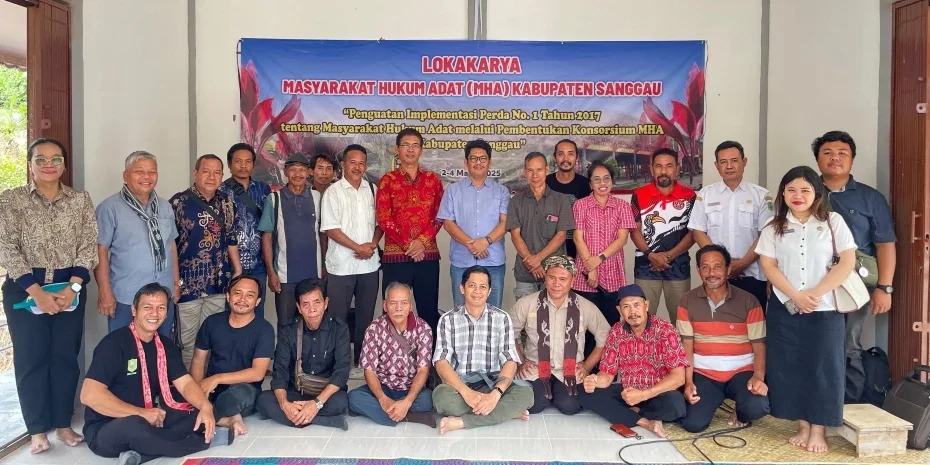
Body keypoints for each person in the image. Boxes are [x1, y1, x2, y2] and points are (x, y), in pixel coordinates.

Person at [0, 138, 98, 454]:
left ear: (64, 165)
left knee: (65, 358)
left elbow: (88, 245)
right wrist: (36, 292)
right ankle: (37, 430)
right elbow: (6, 246)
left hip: (70, 288)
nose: (48, 164)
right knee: (32, 358)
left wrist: (73, 288)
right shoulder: (11, 200)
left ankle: (63, 424)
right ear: (30, 164)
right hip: (26, 288)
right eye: (40, 159)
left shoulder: (79, 200)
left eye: (56, 159)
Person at [755, 165, 857, 453]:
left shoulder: (833, 221)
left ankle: (819, 429)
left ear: (817, 193)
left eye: (804, 190)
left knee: (824, 367)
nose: (797, 195)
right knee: (790, 366)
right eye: (791, 190)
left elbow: (847, 262)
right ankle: (802, 425)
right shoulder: (773, 225)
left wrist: (814, 294)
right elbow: (769, 265)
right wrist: (795, 296)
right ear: (783, 193)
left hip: (825, 308)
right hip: (785, 307)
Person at [81, 283, 232, 465]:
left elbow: (185, 383)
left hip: (151, 419)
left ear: (167, 313)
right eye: (147, 307)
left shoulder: (165, 345)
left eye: (161, 308)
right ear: (134, 310)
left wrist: (205, 407)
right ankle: (205, 442)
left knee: (202, 410)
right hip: (107, 428)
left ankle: (140, 455)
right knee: (135, 425)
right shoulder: (114, 344)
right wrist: (141, 413)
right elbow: (89, 395)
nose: (154, 313)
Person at [813, 130, 897, 404]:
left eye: (842, 153)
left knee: (848, 343)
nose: (835, 158)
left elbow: (885, 245)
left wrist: (884, 287)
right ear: (817, 159)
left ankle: (847, 404)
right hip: (812, 283)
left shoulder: (870, 198)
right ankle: (816, 402)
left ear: (852, 159)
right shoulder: (805, 192)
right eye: (827, 152)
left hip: (854, 285)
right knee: (813, 343)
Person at [677, 245, 770, 433]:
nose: (711, 273)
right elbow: (686, 346)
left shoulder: (749, 301)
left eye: (718, 267)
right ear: (698, 271)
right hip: (705, 374)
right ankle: (714, 400)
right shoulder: (687, 301)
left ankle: (740, 409)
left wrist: (758, 377)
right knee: (693, 424)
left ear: (728, 270)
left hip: (741, 372)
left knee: (756, 407)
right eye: (705, 267)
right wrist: (688, 383)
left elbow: (759, 345)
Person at [432, 265, 534, 434]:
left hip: (493, 382)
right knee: (441, 398)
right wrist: (466, 393)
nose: (477, 291)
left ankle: (462, 422)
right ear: (462, 288)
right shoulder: (447, 319)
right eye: (472, 286)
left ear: (489, 291)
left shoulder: (502, 318)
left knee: (526, 394)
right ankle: (505, 412)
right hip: (461, 385)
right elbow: (441, 362)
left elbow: (510, 360)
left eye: (483, 287)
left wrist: (495, 395)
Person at [579, 284, 688, 438]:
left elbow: (679, 377)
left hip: (657, 393)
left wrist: (644, 395)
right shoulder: (616, 332)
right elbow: (607, 375)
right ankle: (645, 422)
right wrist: (595, 380)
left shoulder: (665, 330)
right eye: (626, 306)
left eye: (637, 305)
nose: (632, 311)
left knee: (676, 404)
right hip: (628, 393)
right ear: (619, 310)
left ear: (646, 305)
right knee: (584, 393)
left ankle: (631, 413)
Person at [509, 255, 610, 415]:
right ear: (545, 277)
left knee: (569, 406)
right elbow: (508, 334)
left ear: (572, 280)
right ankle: (544, 392)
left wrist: (586, 366)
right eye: (552, 278)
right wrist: (520, 362)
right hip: (535, 367)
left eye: (563, 279)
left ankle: (557, 391)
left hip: (569, 368)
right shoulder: (526, 304)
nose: (556, 284)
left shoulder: (585, 307)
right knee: (534, 404)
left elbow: (605, 338)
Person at [96, 151, 180, 338]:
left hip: (163, 295)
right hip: (126, 297)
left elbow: (171, 245)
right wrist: (104, 290)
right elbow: (100, 250)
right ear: (125, 176)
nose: (146, 177)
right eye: (139, 172)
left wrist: (176, 283)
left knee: (162, 346)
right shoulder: (109, 208)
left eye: (152, 172)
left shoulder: (165, 207)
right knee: (124, 348)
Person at [170, 154, 242, 367]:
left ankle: (205, 384)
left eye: (217, 172)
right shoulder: (178, 202)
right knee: (187, 342)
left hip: (218, 284)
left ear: (222, 175)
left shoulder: (227, 203)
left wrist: (237, 270)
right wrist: (175, 282)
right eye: (206, 171)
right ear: (195, 173)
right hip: (188, 285)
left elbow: (231, 238)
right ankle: (187, 385)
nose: (211, 177)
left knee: (212, 339)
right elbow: (170, 245)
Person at [256, 278, 350, 430]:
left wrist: (316, 403)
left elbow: (341, 372)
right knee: (263, 400)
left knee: (341, 402)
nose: (312, 310)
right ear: (299, 307)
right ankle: (323, 420)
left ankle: (297, 417)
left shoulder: (339, 329)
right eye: (305, 304)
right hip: (296, 391)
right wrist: (285, 404)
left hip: (325, 394)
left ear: (325, 303)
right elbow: (280, 372)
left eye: (317, 303)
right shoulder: (288, 330)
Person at [320, 144, 383, 370]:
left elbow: (381, 223)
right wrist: (358, 247)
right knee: (338, 318)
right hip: (341, 267)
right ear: (343, 165)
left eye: (361, 163)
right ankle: (338, 363)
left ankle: (362, 362)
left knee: (366, 317)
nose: (357, 167)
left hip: (369, 266)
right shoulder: (333, 192)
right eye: (352, 162)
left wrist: (372, 245)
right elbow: (330, 229)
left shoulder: (373, 190)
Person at [689, 141, 772, 308]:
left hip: (752, 275)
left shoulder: (761, 196)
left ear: (744, 162)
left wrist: (742, 264)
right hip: (716, 276)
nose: (729, 166)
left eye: (734, 160)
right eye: (723, 162)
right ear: (716, 165)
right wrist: (721, 264)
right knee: (717, 321)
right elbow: (698, 231)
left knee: (753, 321)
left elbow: (766, 235)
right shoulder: (705, 194)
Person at [189, 275, 274, 437]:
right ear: (228, 296)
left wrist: (217, 378)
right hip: (212, 389)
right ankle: (227, 419)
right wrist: (197, 391)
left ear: (257, 301)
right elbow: (198, 361)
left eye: (250, 295)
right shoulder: (212, 322)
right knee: (178, 392)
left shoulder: (264, 330)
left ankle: (213, 414)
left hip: (244, 391)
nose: (242, 299)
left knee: (239, 393)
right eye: (237, 293)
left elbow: (257, 373)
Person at [376, 128, 444, 329]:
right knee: (394, 311)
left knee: (428, 310)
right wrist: (408, 245)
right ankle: (392, 350)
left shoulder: (433, 180)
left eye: (415, 145)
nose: (410, 150)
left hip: (426, 256)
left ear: (421, 150)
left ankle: (429, 349)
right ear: (397, 149)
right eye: (406, 145)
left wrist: (421, 242)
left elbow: (440, 215)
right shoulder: (387, 180)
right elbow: (384, 218)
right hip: (396, 257)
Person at [348, 282, 434, 427]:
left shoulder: (423, 329)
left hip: (410, 387)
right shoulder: (374, 329)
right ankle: (407, 416)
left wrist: (407, 401)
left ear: (410, 305)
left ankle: (388, 412)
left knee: (428, 400)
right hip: (383, 387)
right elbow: (369, 371)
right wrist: (382, 399)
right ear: (385, 305)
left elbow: (423, 371)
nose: (398, 308)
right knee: (353, 397)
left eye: (404, 303)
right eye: (393, 303)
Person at [437, 139, 510, 308]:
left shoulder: (502, 191)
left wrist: (485, 242)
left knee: (494, 312)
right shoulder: (453, 190)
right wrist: (472, 244)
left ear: (489, 162)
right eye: (473, 158)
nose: (478, 162)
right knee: (461, 311)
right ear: (466, 162)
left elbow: (505, 223)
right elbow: (448, 223)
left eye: (482, 158)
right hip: (462, 262)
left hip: (493, 262)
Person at [630, 148, 696, 326]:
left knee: (681, 322)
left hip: (678, 266)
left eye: (669, 166)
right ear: (652, 169)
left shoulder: (690, 196)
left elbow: (694, 233)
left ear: (677, 169)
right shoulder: (639, 194)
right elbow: (634, 230)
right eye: (658, 166)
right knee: (641, 321)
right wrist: (650, 254)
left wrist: (669, 256)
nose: (663, 171)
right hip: (645, 266)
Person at [571, 160, 637, 335]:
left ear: (612, 181)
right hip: (585, 277)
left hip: (612, 275)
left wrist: (598, 260)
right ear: (590, 184)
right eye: (597, 179)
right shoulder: (580, 205)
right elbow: (578, 238)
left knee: (610, 327)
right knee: (584, 330)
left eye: (606, 178)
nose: (602, 183)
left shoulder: (622, 206)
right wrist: (590, 267)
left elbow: (622, 239)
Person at [259, 153, 324, 329]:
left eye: (302, 170)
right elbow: (267, 236)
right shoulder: (274, 199)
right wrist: (271, 272)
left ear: (308, 172)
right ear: (286, 172)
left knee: (313, 323)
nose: (297, 174)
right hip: (285, 275)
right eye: (293, 170)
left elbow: (323, 234)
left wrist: (324, 267)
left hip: (313, 274)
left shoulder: (317, 197)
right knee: (286, 325)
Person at [507, 152, 574, 300]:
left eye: (539, 170)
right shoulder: (516, 201)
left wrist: (538, 259)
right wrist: (534, 264)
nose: (535, 175)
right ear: (525, 173)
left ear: (547, 170)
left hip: (555, 274)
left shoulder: (561, 200)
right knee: (526, 314)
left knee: (554, 314)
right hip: (525, 274)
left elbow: (561, 235)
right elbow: (515, 236)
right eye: (530, 170)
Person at [219, 143, 271, 315]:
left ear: (253, 164)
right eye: (238, 161)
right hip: (229, 265)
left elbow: (268, 227)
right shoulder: (220, 191)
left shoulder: (264, 189)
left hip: (258, 264)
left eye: (248, 161)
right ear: (229, 164)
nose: (243, 166)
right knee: (230, 311)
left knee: (256, 309)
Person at [546, 138, 592, 259]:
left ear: (577, 157)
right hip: (549, 249)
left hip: (580, 249)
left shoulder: (586, 184)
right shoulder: (545, 183)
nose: (565, 159)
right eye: (561, 154)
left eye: (570, 154)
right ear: (554, 157)